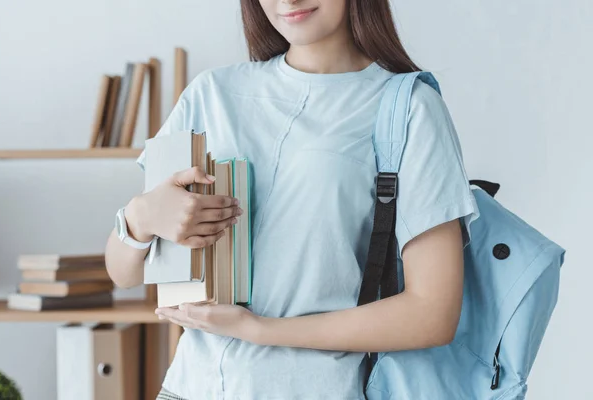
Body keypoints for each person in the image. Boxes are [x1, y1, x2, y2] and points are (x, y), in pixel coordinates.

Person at [104, 0, 479, 399]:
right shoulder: (211, 93)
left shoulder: (409, 108)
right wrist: (140, 217)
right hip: (188, 387)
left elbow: (432, 313)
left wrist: (257, 330)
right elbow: (123, 275)